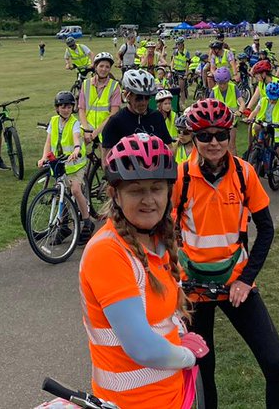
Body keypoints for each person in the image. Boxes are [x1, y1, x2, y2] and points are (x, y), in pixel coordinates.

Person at [174, 101, 279, 409]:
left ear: (230, 135)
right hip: (193, 290)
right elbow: (164, 234)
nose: (214, 143)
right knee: (203, 373)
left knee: (277, 365)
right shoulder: (180, 177)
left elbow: (265, 229)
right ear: (193, 138)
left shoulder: (243, 173)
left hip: (236, 285)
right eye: (205, 136)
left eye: (221, 135)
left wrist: (246, 280)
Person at [78, 134, 206, 409]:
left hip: (171, 396)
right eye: (136, 190)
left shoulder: (157, 241)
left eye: (156, 188)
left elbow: (155, 317)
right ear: (115, 194)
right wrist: (186, 355)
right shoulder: (107, 252)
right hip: (130, 403)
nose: (149, 200)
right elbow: (142, 348)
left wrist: (176, 334)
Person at [41, 91, 96, 238]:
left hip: (75, 164)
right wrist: (43, 157)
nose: (66, 110)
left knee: (76, 190)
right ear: (57, 108)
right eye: (63, 107)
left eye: (69, 107)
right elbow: (48, 141)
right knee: (61, 193)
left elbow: (76, 138)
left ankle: (86, 220)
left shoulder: (75, 123)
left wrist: (77, 149)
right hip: (60, 163)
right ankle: (64, 225)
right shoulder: (53, 121)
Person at [102, 69, 175, 148]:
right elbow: (106, 158)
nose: (143, 102)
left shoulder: (157, 117)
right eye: (139, 98)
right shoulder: (115, 122)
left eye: (147, 98)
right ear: (128, 95)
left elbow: (169, 148)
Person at [253, 81, 279, 197]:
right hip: (265, 126)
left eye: (275, 98)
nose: (273, 101)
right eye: (271, 98)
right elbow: (255, 111)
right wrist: (250, 118)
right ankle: (259, 156)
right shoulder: (263, 101)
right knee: (256, 129)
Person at [78, 52, 121, 154]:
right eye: (101, 66)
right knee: (74, 148)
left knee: (106, 162)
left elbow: (113, 113)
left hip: (106, 127)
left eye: (107, 67)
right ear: (96, 67)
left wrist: (96, 132)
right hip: (87, 125)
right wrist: (86, 129)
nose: (104, 69)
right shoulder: (86, 84)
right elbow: (81, 109)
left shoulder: (115, 86)